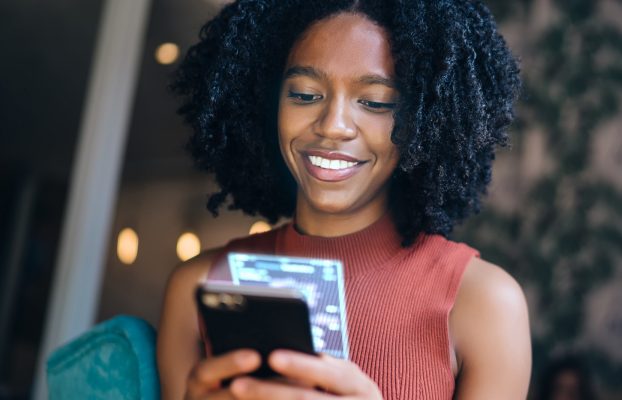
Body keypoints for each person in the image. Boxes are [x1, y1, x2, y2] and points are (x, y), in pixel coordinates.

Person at [157, 0, 530, 399]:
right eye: (303, 95)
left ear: (425, 120)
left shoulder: (483, 303)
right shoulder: (198, 286)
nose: (332, 126)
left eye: (375, 102)